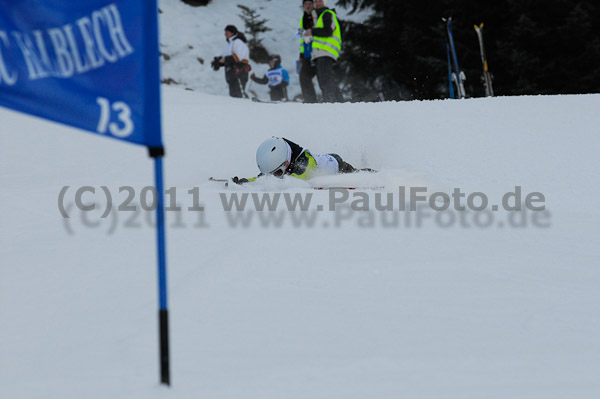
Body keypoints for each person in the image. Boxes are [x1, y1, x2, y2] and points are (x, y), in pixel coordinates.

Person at [232, 137, 360, 184]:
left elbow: (294, 182)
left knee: (356, 173)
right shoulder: (284, 162)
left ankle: (377, 174)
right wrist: (246, 182)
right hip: (323, 157)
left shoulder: (306, 166)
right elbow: (264, 179)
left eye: (277, 174)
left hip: (337, 165)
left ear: (287, 163)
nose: (274, 177)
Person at [305, 0, 342, 102]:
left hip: (326, 50)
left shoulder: (327, 14)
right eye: (316, 1)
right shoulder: (319, 16)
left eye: (320, 1)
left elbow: (327, 31)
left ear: (325, 3)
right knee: (326, 78)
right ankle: (340, 101)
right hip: (320, 52)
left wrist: (312, 31)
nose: (317, 3)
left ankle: (330, 100)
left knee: (325, 78)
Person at [210, 25, 251, 98]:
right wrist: (217, 62)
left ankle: (249, 107)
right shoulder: (228, 44)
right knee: (233, 95)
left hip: (240, 71)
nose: (225, 34)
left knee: (240, 94)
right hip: (231, 72)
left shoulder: (238, 42)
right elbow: (224, 57)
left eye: (227, 32)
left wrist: (224, 59)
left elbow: (238, 57)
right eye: (225, 32)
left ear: (232, 33)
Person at [297, 0, 318, 103]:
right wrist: (301, 54)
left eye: (310, 4)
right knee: (304, 77)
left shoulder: (317, 15)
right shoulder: (303, 18)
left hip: (318, 52)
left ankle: (334, 99)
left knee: (324, 77)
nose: (308, 6)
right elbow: (301, 38)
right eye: (306, 4)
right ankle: (310, 100)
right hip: (307, 53)